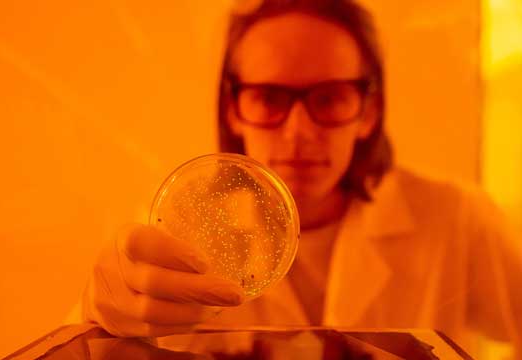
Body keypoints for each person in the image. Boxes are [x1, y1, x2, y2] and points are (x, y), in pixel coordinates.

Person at [81, 0, 522, 357]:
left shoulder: (456, 219)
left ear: (368, 111)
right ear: (235, 109)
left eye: (328, 98)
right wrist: (98, 322)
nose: (299, 132)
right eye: (270, 98)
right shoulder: (174, 229)